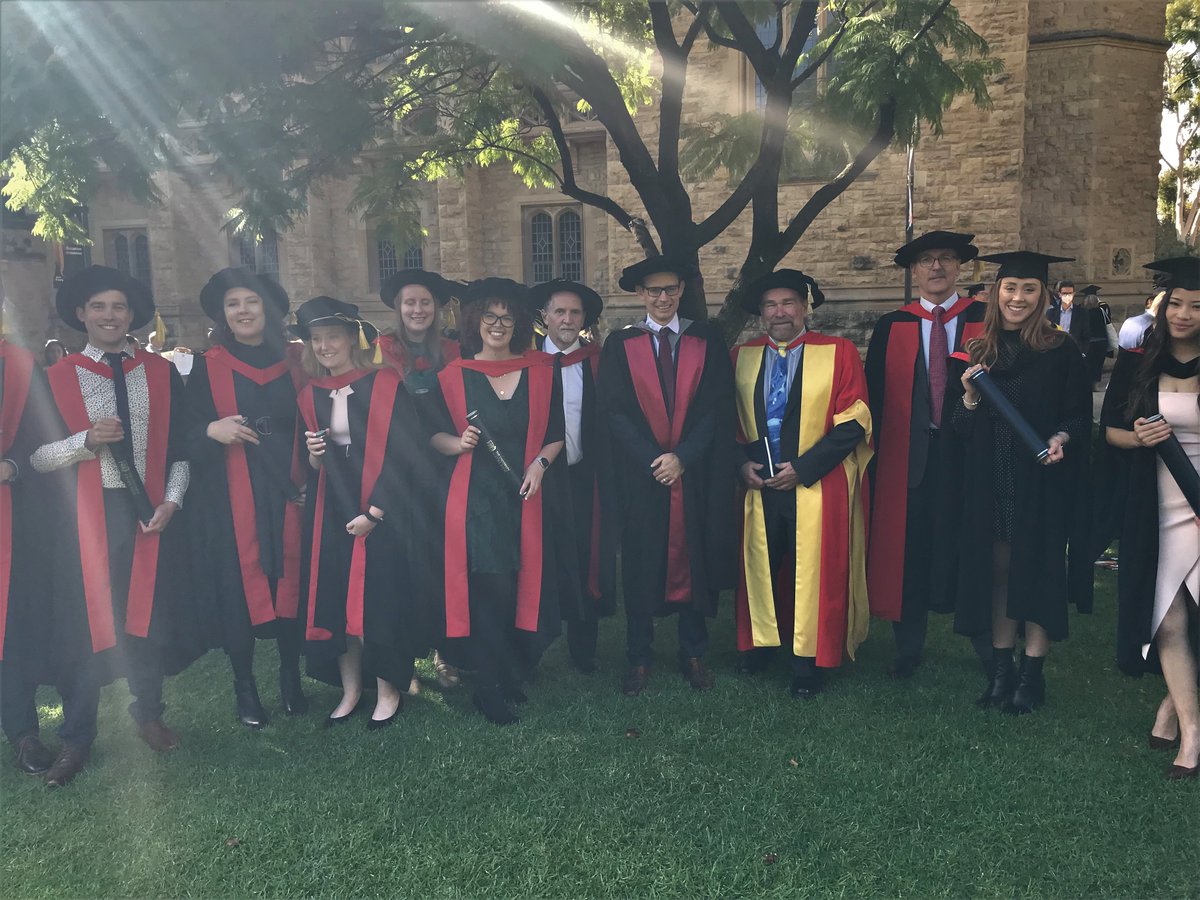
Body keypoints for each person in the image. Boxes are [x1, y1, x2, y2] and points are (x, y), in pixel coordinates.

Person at [29, 266, 197, 786]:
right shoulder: (57, 376)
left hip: (146, 510)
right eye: (98, 306)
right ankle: (76, 737)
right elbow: (35, 457)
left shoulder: (162, 373)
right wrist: (85, 441)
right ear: (80, 313)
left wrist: (172, 500)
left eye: (119, 307)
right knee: (82, 623)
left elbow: (183, 451)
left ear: (132, 314)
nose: (109, 315)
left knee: (145, 616)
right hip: (84, 514)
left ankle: (148, 713)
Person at [948, 251, 1093, 714]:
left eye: (1029, 289)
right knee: (998, 572)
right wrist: (969, 397)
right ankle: (1001, 670)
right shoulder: (979, 349)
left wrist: (1061, 435)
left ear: (1043, 295)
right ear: (996, 293)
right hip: (991, 479)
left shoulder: (1060, 349)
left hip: (1039, 477)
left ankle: (1033, 675)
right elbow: (960, 429)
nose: (1018, 298)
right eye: (1010, 288)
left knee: (1038, 570)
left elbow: (1078, 414)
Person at [429, 278, 571, 724]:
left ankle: (511, 673)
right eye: (489, 316)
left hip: (526, 498)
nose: (498, 324)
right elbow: (430, 435)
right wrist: (458, 443)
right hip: (476, 502)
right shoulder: (453, 377)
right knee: (489, 594)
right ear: (474, 322)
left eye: (507, 316)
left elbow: (557, 435)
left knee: (518, 590)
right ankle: (487, 686)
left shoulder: (543, 371)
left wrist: (539, 467)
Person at [731, 269, 873, 698]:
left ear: (805, 307)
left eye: (788, 303)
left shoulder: (838, 351)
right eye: (770, 305)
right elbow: (727, 420)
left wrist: (806, 468)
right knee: (760, 567)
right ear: (761, 313)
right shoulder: (741, 355)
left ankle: (807, 661)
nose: (780, 312)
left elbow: (855, 420)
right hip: (760, 485)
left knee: (813, 573)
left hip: (817, 485)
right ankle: (759, 645)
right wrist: (741, 466)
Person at [598, 256, 735, 696]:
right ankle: (638, 656)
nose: (662, 297)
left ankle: (693, 652)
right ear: (640, 295)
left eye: (670, 289)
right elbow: (614, 412)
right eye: (653, 291)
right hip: (643, 478)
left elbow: (716, 407)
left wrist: (684, 457)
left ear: (681, 291)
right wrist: (653, 460)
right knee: (641, 560)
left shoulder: (706, 338)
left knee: (692, 557)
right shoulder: (620, 344)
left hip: (692, 474)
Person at [183, 267, 308, 728]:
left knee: (292, 577)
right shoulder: (206, 365)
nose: (243, 310)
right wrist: (211, 430)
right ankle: (245, 687)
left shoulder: (297, 359)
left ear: (268, 309)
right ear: (223, 313)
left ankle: (291, 677)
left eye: (251, 302)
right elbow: (181, 432)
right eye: (233, 304)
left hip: (288, 487)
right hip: (232, 494)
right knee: (239, 588)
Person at [294, 297, 425, 729]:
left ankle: (387, 690)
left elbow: (404, 454)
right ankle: (351, 690)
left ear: (352, 339)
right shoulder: (309, 394)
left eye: (333, 336)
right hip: (331, 508)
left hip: (381, 505)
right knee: (336, 601)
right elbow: (309, 468)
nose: (325, 346)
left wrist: (375, 511)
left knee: (378, 602)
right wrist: (314, 457)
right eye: (316, 339)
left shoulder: (385, 383)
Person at [864, 231, 990, 680]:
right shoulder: (892, 325)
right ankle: (908, 648)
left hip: (971, 455)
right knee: (909, 550)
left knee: (974, 545)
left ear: (960, 268)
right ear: (914, 271)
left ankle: (987, 647)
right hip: (908, 459)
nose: (936, 267)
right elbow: (873, 396)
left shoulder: (984, 319)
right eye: (926, 260)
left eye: (946, 259)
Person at [1102, 255, 1199, 780]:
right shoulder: (1137, 361)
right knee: (1169, 619)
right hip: (1158, 501)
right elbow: (1109, 431)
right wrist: (1137, 436)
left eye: (1196, 306)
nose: (1183, 314)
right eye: (1176, 303)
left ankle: (1169, 706)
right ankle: (1192, 732)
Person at [375, 268, 463, 693]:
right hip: (395, 473)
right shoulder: (380, 351)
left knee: (441, 563)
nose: (417, 309)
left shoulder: (452, 350)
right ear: (398, 307)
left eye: (425, 302)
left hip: (444, 471)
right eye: (409, 302)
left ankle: (444, 653)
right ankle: (405, 660)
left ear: (437, 308)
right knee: (401, 566)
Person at [532, 278, 612, 673]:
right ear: (544, 316)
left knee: (585, 559)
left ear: (584, 319)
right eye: (559, 311)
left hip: (584, 479)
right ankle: (531, 648)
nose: (566, 319)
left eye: (574, 312)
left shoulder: (598, 362)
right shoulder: (526, 362)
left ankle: (584, 649)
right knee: (537, 559)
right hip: (538, 482)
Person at [0, 324, 60, 776]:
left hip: (14, 517)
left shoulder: (21, 367)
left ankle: (23, 733)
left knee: (10, 626)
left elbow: (46, 440)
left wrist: (12, 465)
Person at [1048, 279, 1107, 386]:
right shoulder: (1051, 312)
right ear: (1059, 294)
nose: (1067, 296)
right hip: (1055, 351)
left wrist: (1082, 352)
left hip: (1074, 351)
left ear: (1074, 294)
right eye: (1064, 293)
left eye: (1070, 293)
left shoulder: (1081, 312)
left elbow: (1086, 335)